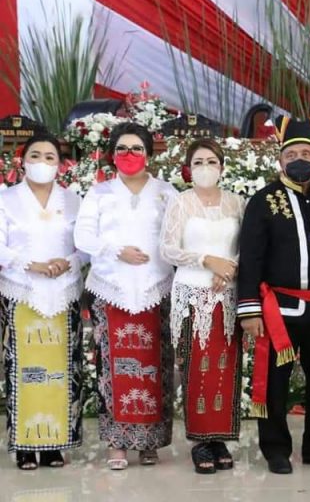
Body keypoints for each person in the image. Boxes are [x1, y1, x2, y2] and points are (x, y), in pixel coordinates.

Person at [237, 115, 310, 474]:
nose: (299, 158)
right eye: (292, 153)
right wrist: (250, 310)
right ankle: (276, 449)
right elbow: (250, 259)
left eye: (307, 152)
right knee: (275, 385)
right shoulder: (263, 201)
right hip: (278, 311)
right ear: (280, 159)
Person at [74, 122, 178, 470]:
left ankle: (150, 442)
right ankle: (117, 443)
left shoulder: (167, 193)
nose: (129, 155)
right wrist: (116, 250)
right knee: (113, 366)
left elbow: (179, 236)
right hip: (112, 289)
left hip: (156, 288)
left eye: (136, 149)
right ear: (112, 155)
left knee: (155, 365)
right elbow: (83, 237)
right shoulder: (100, 193)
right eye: (122, 149)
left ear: (149, 154)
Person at [0, 134, 87, 470]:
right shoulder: (7, 199)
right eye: (35, 155)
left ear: (60, 164)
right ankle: (24, 444)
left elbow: (85, 245)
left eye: (50, 157)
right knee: (24, 370)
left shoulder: (73, 200)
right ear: (22, 161)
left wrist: (70, 261)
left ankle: (54, 444)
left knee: (62, 370)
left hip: (63, 292)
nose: (42, 162)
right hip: (21, 291)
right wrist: (31, 264)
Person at [160, 138, 245, 474]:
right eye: (198, 162)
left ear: (222, 167)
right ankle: (199, 441)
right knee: (197, 368)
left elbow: (248, 246)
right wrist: (207, 260)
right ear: (189, 168)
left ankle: (220, 437)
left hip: (228, 292)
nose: (205, 168)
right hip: (193, 293)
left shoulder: (237, 203)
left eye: (211, 162)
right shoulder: (181, 203)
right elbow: (168, 249)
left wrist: (231, 267)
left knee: (225, 367)